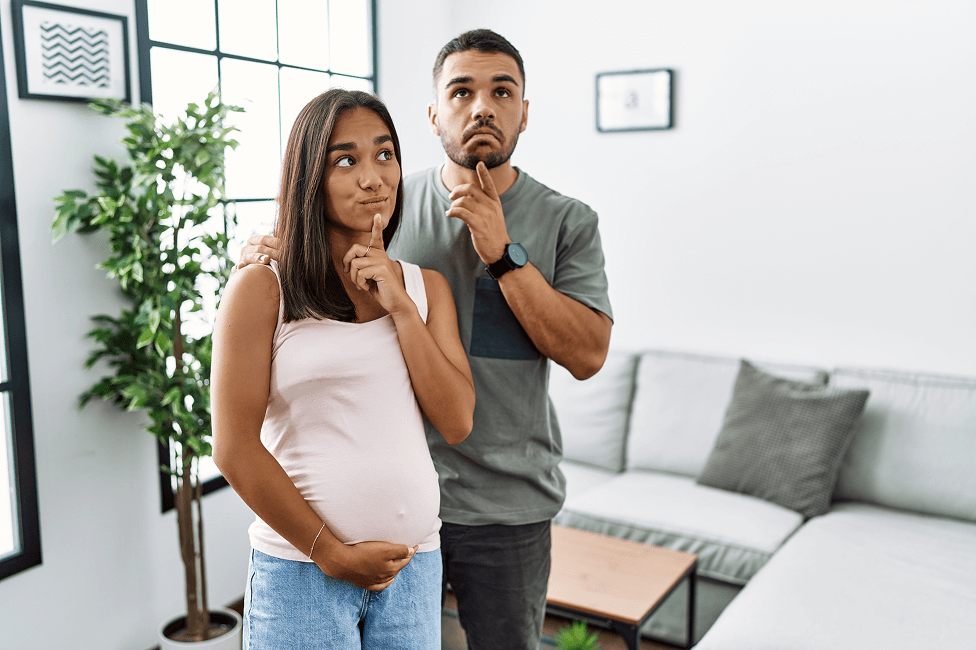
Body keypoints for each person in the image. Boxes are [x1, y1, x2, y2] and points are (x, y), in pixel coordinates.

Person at [237, 30, 613, 649]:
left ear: (525, 110)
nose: (482, 107)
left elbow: (588, 355)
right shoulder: (383, 204)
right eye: (461, 91)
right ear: (434, 113)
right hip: (394, 509)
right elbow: (307, 280)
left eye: (502, 91)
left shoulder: (568, 220)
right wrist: (264, 248)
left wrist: (503, 255)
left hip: (505, 506)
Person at [211, 89, 475, 650]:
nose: (373, 177)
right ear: (310, 177)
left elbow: (456, 422)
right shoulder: (262, 287)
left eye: (385, 155)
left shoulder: (427, 290)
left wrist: (400, 307)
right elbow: (233, 448)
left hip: (414, 568)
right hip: (302, 573)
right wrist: (331, 554)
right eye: (345, 160)